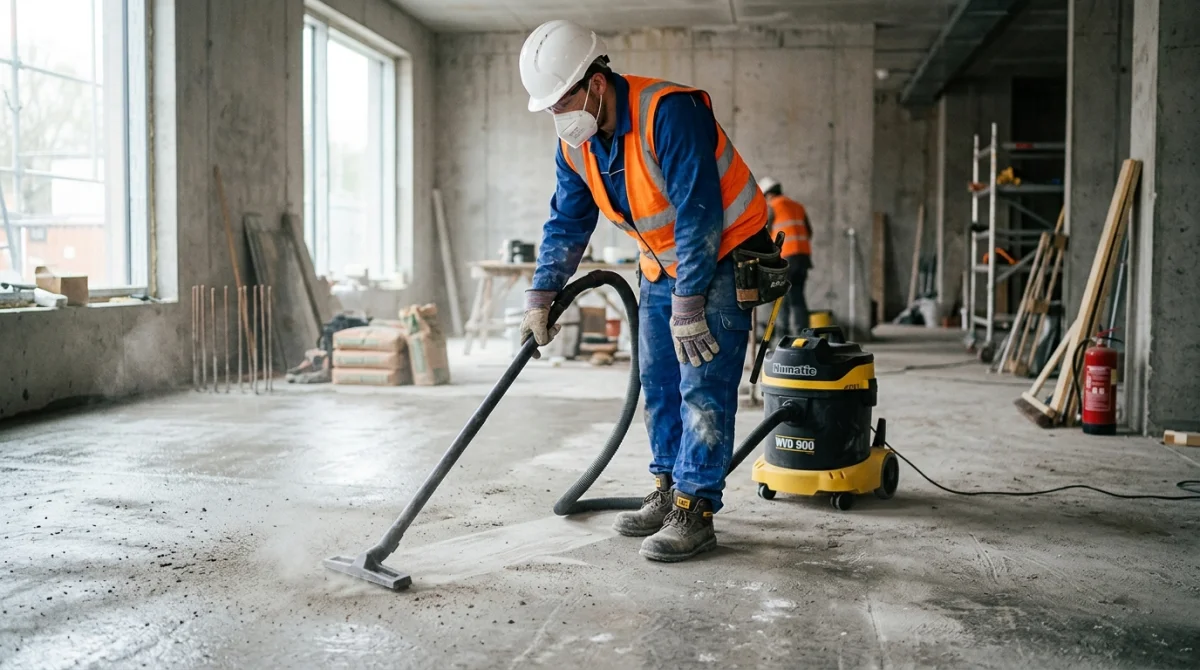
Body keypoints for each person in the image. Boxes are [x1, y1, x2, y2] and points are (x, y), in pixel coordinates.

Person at [517, 19, 777, 562]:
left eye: (563, 101)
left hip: (723, 254)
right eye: (550, 108)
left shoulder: (668, 111)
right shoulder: (576, 146)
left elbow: (698, 209)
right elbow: (567, 222)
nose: (559, 117)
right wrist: (542, 294)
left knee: (702, 385)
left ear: (596, 83)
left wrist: (691, 302)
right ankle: (666, 489)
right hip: (662, 265)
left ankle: (695, 508)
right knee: (658, 382)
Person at [758, 177, 812, 337]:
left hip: (785, 258)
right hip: (802, 258)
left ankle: (782, 337)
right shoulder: (797, 206)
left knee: (779, 297)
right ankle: (804, 337)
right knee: (797, 297)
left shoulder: (772, 207)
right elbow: (809, 232)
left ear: (768, 194)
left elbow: (763, 236)